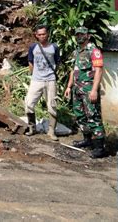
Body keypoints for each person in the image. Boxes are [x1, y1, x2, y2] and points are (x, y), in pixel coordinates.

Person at [64, 26, 106, 159]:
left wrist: (94, 90)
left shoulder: (94, 51)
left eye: (82, 34)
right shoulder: (77, 51)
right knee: (80, 115)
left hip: (88, 90)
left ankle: (100, 148)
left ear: (88, 35)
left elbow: (99, 70)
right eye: (77, 35)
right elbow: (73, 70)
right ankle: (87, 140)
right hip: (77, 89)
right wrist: (69, 87)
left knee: (93, 116)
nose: (79, 37)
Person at [24, 25, 60, 141]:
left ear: (47, 34)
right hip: (36, 80)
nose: (41, 36)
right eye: (39, 34)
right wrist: (34, 74)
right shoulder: (33, 47)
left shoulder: (54, 47)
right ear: (36, 35)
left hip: (50, 80)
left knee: (52, 106)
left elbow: (57, 62)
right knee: (29, 104)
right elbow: (30, 61)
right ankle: (32, 127)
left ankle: (51, 131)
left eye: (43, 34)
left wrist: (51, 74)